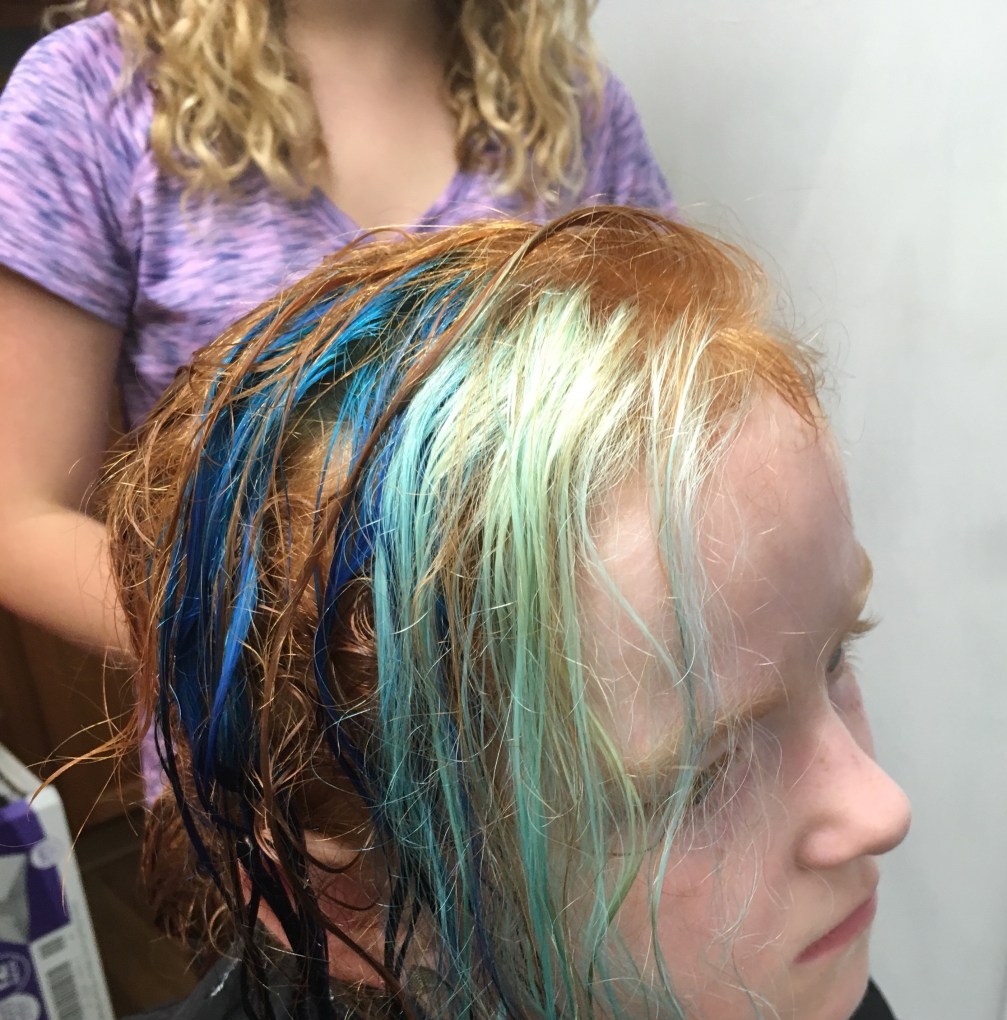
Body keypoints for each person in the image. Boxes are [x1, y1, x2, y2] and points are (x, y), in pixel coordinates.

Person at [2, 207, 1007, 1020]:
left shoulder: (716, 943)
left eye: (836, 654)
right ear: (361, 896)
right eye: (702, 774)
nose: (878, 807)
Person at [0, 0, 671, 675]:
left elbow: (664, 432)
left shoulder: (572, 108)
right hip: (264, 732)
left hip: (544, 705)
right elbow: (19, 518)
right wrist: (290, 672)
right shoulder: (94, 93)